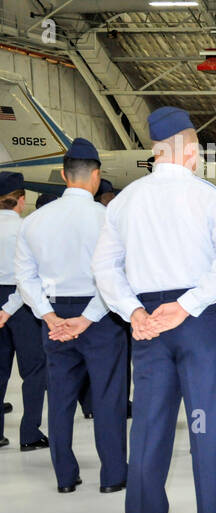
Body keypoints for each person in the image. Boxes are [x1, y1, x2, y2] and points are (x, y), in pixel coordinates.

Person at [93, 105, 216, 513]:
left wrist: (132, 312)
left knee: (149, 427)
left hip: (147, 327)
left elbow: (103, 266)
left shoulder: (124, 201)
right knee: (208, 428)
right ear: (192, 150)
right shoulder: (208, 197)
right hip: (198, 323)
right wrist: (186, 306)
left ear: (155, 151)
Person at [14, 138, 126, 494]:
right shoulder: (108, 220)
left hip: (55, 319)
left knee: (59, 398)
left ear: (63, 175)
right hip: (101, 316)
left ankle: (65, 477)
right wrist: (90, 317)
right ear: (96, 176)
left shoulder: (33, 221)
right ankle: (112, 476)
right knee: (108, 397)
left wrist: (48, 317)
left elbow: (24, 278)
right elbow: (119, 274)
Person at [0, 171, 48, 452]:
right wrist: (9, 308)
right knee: (34, 370)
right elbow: (31, 275)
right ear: (22, 198)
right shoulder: (26, 229)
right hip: (21, 303)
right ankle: (29, 433)